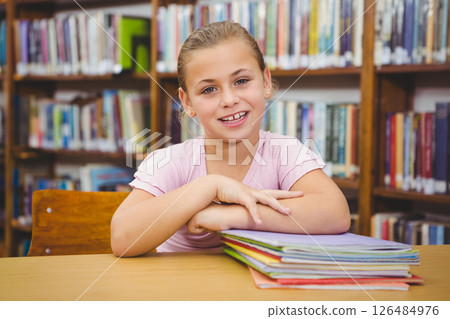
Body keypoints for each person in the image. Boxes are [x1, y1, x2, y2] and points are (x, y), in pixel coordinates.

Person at [111, 21, 350, 257]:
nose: (229, 99)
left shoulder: (284, 152)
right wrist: (207, 186)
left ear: (266, 82)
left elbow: (335, 213)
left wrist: (232, 216)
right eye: (209, 89)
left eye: (241, 81)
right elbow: (122, 238)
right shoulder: (171, 160)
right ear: (187, 102)